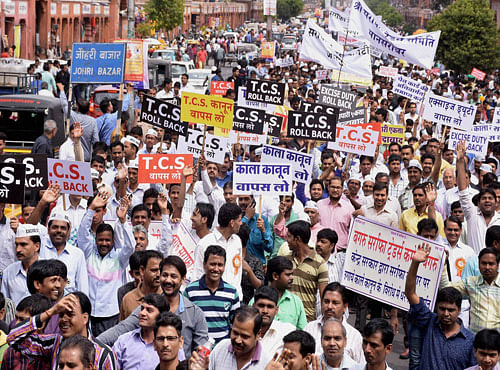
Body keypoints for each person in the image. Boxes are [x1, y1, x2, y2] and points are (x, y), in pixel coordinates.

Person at [98, 256, 209, 358]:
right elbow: (121, 329)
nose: (168, 280)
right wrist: (93, 343)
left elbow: (200, 353)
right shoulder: (148, 307)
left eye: (173, 276)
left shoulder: (195, 313)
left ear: (183, 279)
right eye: (165, 275)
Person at [405, 244, 476, 370]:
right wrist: (415, 263)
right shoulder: (430, 322)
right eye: (442, 309)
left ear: (459, 310)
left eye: (451, 310)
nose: (446, 314)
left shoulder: (470, 340)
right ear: (437, 308)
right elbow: (410, 293)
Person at [6, 292, 117, 369]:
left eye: (70, 314)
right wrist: (50, 312)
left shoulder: (103, 353)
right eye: (61, 314)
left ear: (85, 318)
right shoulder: (52, 343)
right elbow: (13, 339)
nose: (64, 319)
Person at [184, 245, 240, 344]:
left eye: (220, 265)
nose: (216, 269)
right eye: (212, 264)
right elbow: (185, 322)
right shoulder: (190, 291)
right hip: (197, 350)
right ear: (204, 265)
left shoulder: (232, 293)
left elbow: (235, 324)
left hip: (222, 350)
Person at [439, 247, 500, 333]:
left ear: (497, 265)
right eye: (484, 263)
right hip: (475, 341)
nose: (487, 267)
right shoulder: (471, 282)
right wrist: (443, 265)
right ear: (478, 264)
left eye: (491, 264)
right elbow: (446, 289)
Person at [456, 140, 500, 253]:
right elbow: (463, 191)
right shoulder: (471, 213)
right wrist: (460, 161)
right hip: (473, 266)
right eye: (484, 198)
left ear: (496, 202)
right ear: (478, 203)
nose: (487, 201)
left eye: (490, 198)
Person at [192, 202, 243, 298]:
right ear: (232, 223)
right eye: (239, 220)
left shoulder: (237, 241)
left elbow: (238, 272)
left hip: (235, 298)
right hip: (211, 299)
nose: (241, 223)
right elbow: (197, 275)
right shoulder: (205, 243)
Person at [304, 282, 364, 363]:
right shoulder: (309, 328)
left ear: (345, 307)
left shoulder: (354, 336)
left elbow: (360, 366)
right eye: (326, 301)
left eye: (335, 303)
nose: (329, 306)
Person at [113, 294, 175, 369]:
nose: (142, 313)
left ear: (161, 316)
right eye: (142, 309)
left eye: (149, 310)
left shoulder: (171, 345)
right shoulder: (123, 341)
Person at [285, 220, 328, 322]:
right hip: (286, 318)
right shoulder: (285, 260)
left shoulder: (319, 263)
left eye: (289, 237)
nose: (287, 240)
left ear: (297, 239)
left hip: (307, 320)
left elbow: (324, 297)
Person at [1, 224, 41, 305]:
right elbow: (5, 304)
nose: (18, 249)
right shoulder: (9, 271)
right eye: (16, 244)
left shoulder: (49, 269)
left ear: (37, 246)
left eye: (23, 244)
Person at [120, 250, 164, 320]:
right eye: (154, 270)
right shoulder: (128, 299)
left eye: (161, 270)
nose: (158, 274)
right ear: (142, 270)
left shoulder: (167, 297)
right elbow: (123, 328)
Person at [252, 286, 295, 355]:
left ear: (276, 310)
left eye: (270, 307)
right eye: (261, 305)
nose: (265, 311)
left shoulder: (287, 331)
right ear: (253, 306)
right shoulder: (245, 330)